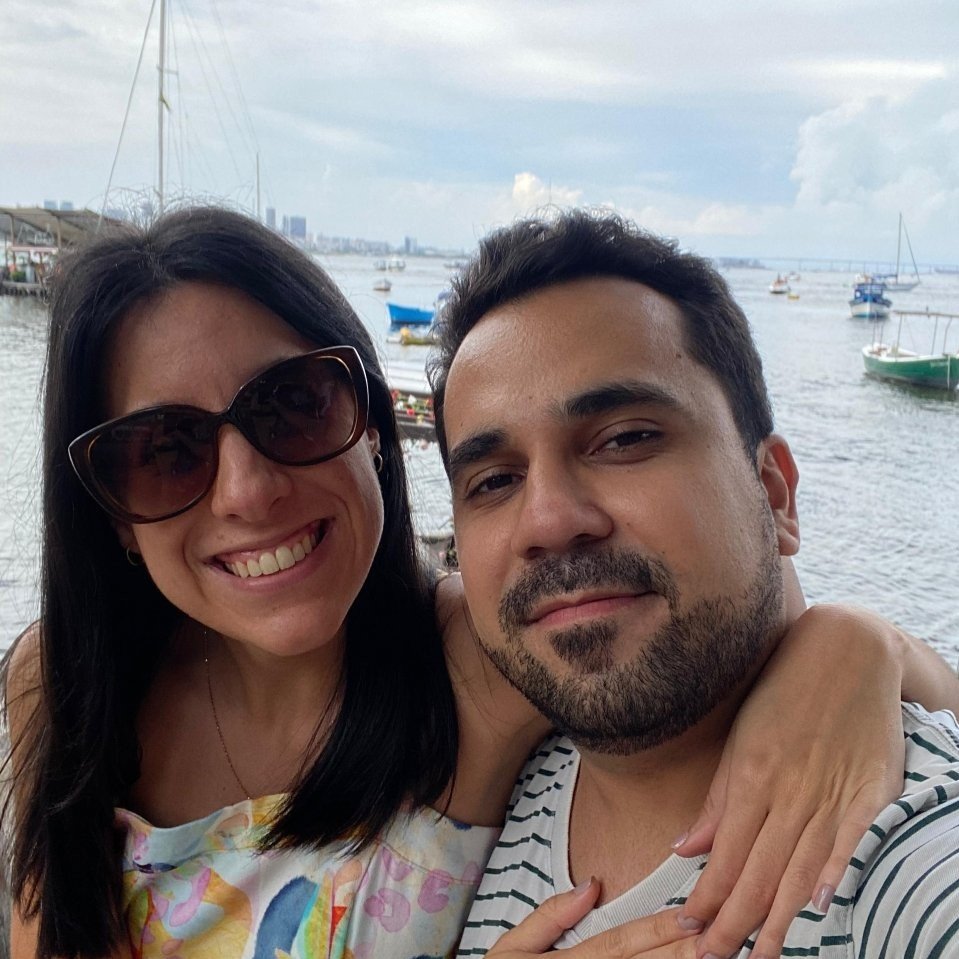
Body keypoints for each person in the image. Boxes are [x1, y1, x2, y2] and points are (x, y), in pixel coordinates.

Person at [2, 206, 954, 959]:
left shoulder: (477, 663)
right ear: (112, 513)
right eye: (165, 451)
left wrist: (850, 643)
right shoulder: (64, 686)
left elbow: (704, 611)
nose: (247, 491)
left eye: (293, 405)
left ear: (374, 429)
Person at [425, 209, 959, 958]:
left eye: (624, 439)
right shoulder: (498, 780)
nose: (546, 520)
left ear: (773, 493)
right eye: (493, 480)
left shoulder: (906, 857)